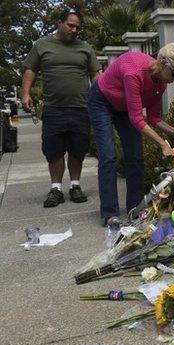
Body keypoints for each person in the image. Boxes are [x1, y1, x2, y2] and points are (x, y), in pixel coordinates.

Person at [87, 43, 174, 226]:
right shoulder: (133, 72)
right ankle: (110, 213)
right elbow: (137, 118)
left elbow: (154, 117)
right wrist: (162, 143)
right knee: (108, 156)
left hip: (125, 108)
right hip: (102, 101)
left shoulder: (160, 83)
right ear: (162, 63)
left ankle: (135, 209)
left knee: (135, 157)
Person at [21, 8, 101, 207]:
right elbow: (30, 70)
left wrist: (99, 99)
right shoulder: (41, 45)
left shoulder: (85, 48)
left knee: (78, 150)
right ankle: (56, 189)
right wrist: (25, 93)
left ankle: (75, 186)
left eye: (77, 27)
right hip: (54, 109)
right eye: (70, 25)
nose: (74, 30)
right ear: (59, 22)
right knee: (54, 151)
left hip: (81, 108)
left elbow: (96, 76)